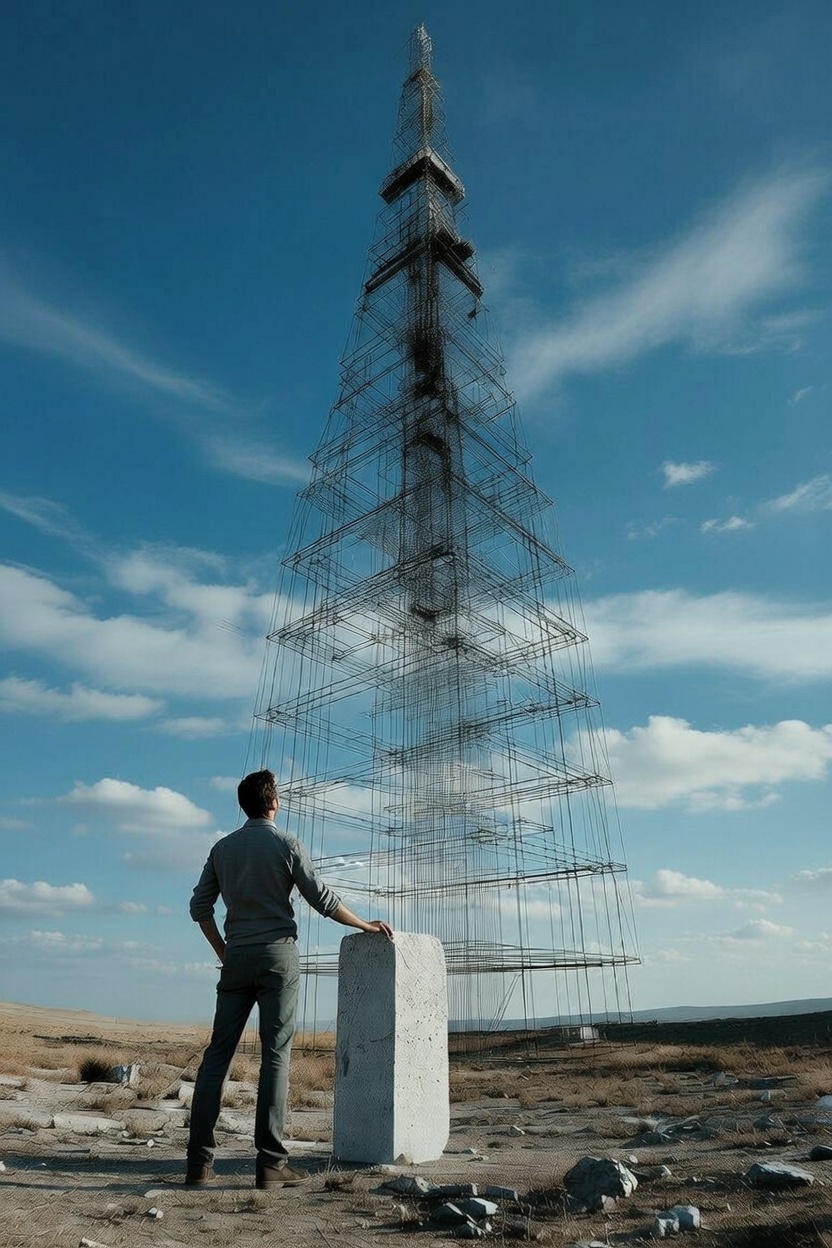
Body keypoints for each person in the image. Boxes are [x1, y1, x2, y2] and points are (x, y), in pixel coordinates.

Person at [185, 768, 393, 1190]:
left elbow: (199, 908)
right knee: (275, 1057)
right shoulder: (286, 844)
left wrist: (224, 951)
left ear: (244, 805)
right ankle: (270, 1164)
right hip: (278, 957)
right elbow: (322, 899)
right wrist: (364, 927)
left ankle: (198, 1164)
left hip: (237, 957)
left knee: (217, 1056)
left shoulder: (222, 849)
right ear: (274, 802)